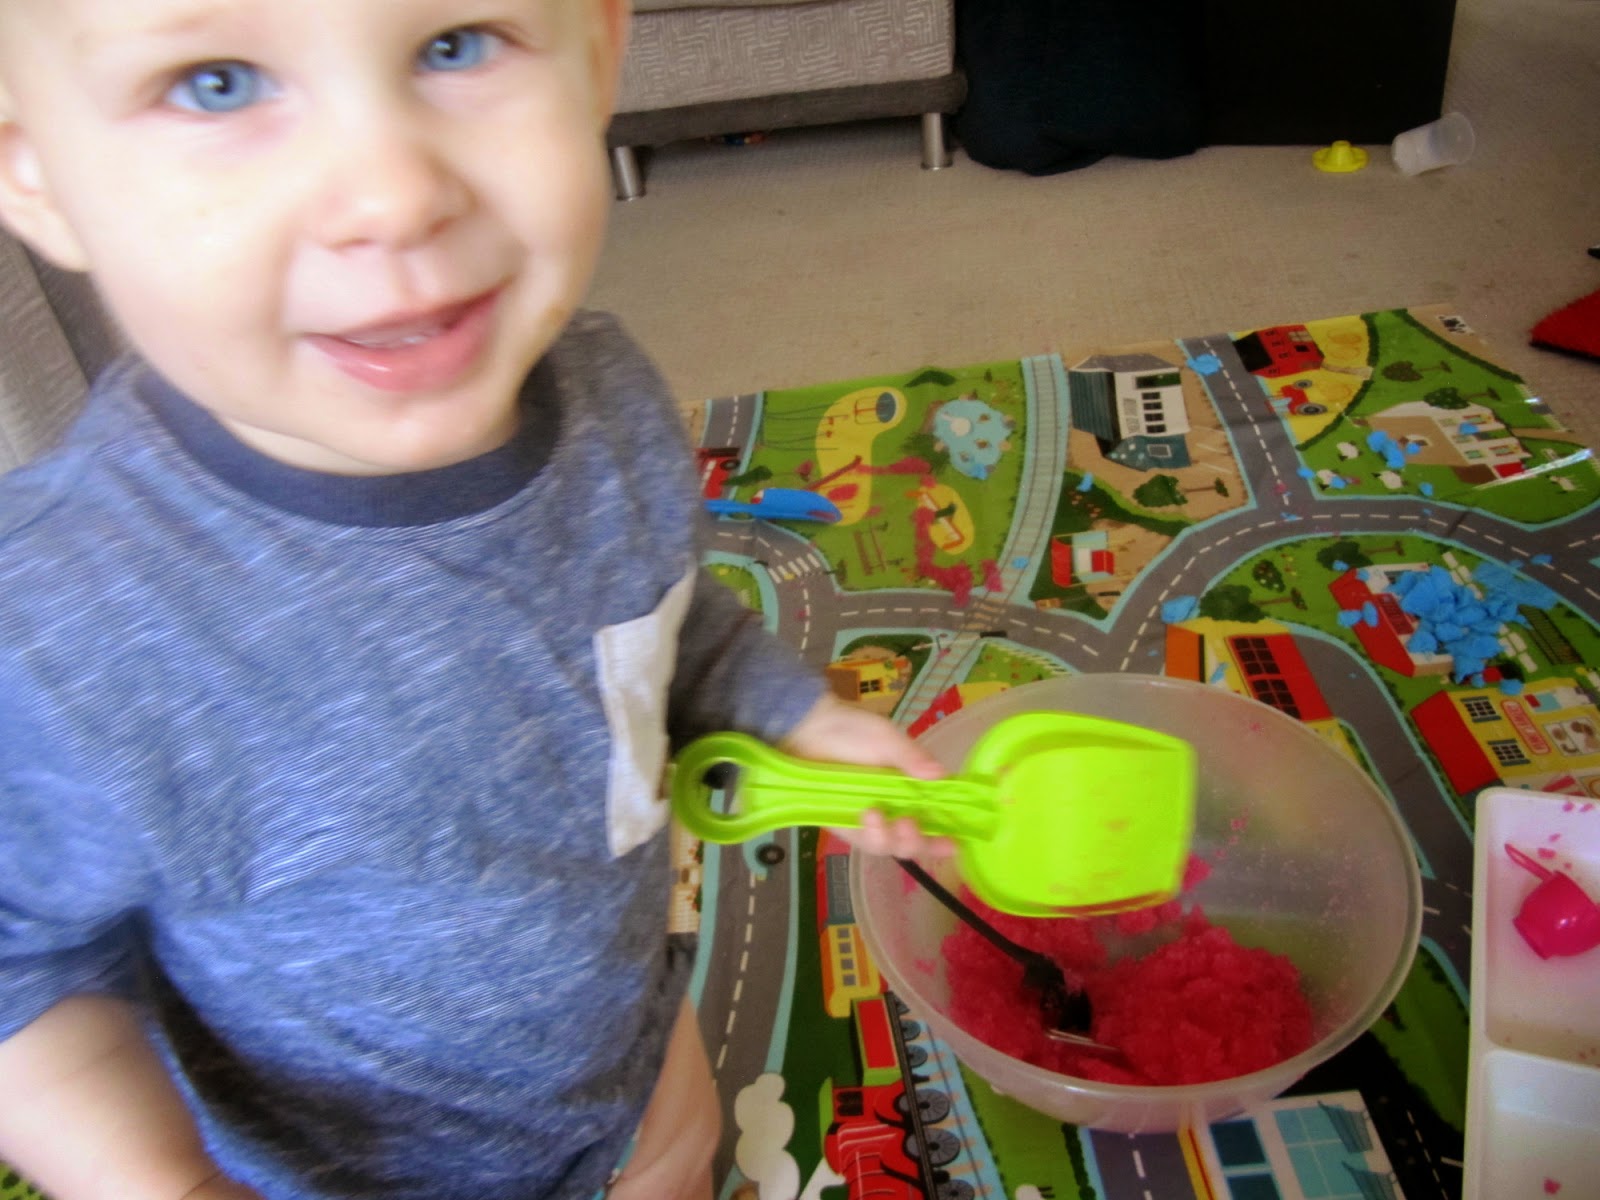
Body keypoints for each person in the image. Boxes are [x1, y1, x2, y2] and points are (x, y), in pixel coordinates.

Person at [0, 2, 946, 1197]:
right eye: (217, 82)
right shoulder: (56, 630)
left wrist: (797, 717)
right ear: (36, 174)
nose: (394, 197)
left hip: (626, 1061)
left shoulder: (606, 396)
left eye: (454, 46)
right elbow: (19, 969)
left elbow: (659, 621)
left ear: (598, 54)